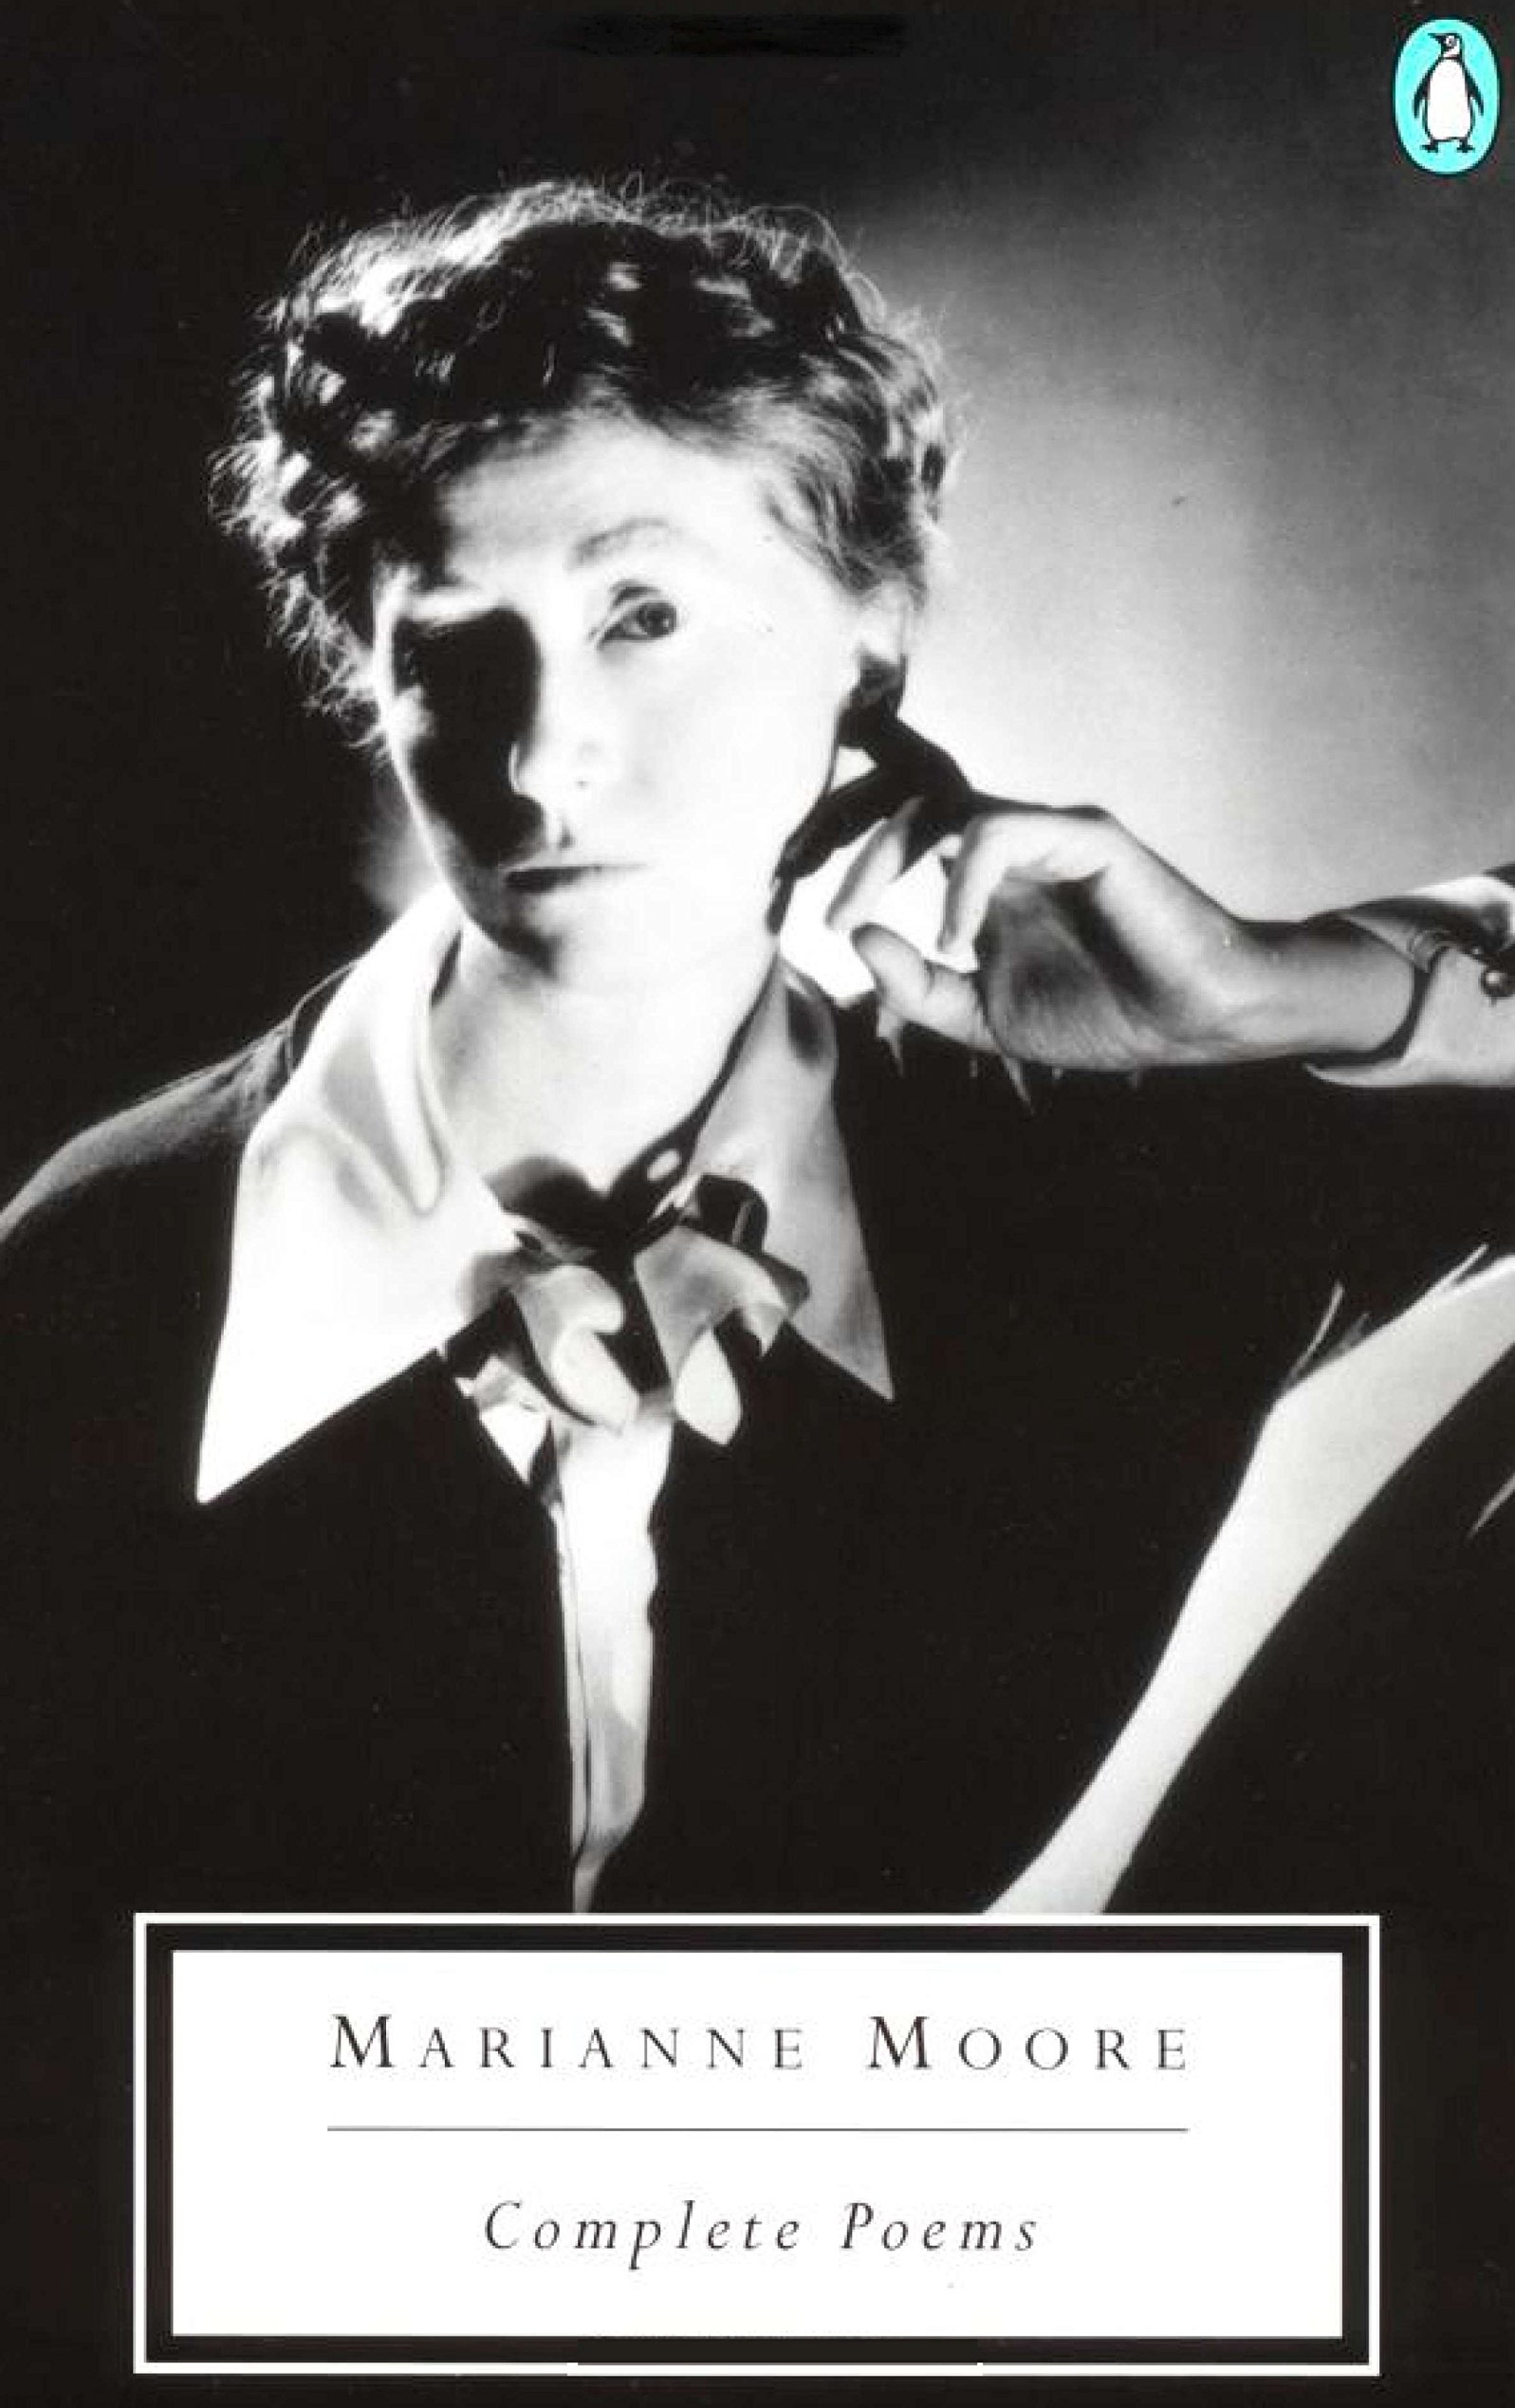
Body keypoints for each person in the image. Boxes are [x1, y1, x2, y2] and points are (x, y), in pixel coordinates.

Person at [2, 179, 1512, 2388]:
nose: (543, 757)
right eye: (450, 641)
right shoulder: (98, 1290)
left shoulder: (1089, 1180)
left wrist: (1281, 988)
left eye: (644, 616)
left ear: (866, 637)